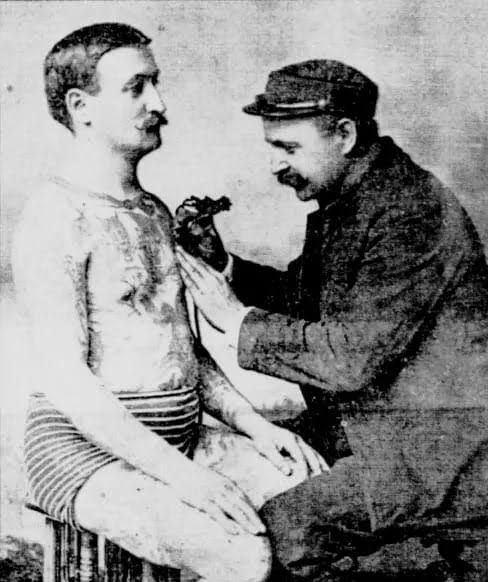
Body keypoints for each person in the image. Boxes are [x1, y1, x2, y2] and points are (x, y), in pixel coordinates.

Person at [12, 26, 328, 582]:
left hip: (180, 438)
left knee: (314, 495)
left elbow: (185, 352)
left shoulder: (153, 212)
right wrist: (187, 480)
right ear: (81, 108)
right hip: (85, 452)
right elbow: (68, 380)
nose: (159, 104)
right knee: (245, 556)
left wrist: (257, 427)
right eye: (136, 88)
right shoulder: (53, 217)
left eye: (155, 84)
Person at [176, 59, 488, 580]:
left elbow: (350, 360)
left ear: (344, 134)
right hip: (380, 432)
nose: (275, 166)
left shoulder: (410, 210)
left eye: (288, 148)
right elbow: (309, 303)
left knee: (273, 537)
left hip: (439, 452)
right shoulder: (359, 197)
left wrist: (236, 319)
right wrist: (223, 265)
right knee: (238, 477)